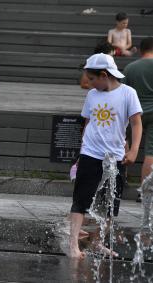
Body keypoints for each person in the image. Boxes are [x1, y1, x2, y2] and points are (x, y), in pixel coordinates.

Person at [69, 53, 142, 259]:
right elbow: (87, 122)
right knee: (81, 199)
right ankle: (73, 242)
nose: (89, 83)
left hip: (115, 156)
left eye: (91, 79)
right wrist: (82, 151)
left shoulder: (128, 93)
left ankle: (97, 242)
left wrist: (134, 149)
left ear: (104, 75)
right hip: (91, 153)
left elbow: (136, 123)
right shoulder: (92, 94)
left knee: (111, 204)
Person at [123, 37, 153, 192]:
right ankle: (145, 192)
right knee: (151, 152)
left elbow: (122, 92)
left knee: (123, 142)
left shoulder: (130, 67)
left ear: (141, 50)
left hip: (133, 113)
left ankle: (120, 181)